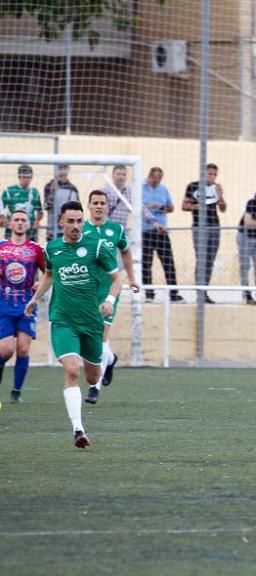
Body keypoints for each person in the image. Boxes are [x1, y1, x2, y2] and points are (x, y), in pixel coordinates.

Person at [24, 201, 122, 448]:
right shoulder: (52, 249)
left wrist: (109, 300)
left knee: (92, 377)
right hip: (63, 320)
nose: (77, 225)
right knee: (71, 370)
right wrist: (36, 300)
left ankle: (108, 361)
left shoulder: (97, 247)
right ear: (61, 223)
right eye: (71, 221)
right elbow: (49, 274)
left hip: (91, 321)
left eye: (79, 220)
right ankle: (78, 429)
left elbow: (116, 279)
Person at [82, 190, 140, 403]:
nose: (99, 206)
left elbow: (125, 251)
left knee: (100, 336)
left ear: (106, 206)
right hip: (86, 292)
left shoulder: (116, 229)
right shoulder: (81, 230)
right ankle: (111, 358)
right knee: (90, 337)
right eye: (95, 202)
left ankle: (94, 388)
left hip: (109, 291)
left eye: (102, 203)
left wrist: (131, 278)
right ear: (88, 206)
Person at [0, 209, 45, 403]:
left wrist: (40, 283)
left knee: (24, 349)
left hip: (27, 305)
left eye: (23, 220)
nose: (19, 223)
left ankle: (16, 391)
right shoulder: (1, 247)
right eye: (16, 220)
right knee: (6, 350)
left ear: (29, 225)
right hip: (4, 305)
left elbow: (49, 272)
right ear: (10, 224)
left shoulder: (35, 249)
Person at [182, 163, 227, 302]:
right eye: (209, 173)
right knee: (201, 259)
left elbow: (223, 208)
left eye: (214, 174)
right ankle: (199, 292)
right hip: (199, 226)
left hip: (214, 226)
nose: (212, 176)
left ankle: (205, 290)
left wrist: (220, 196)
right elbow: (184, 206)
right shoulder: (193, 186)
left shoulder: (217, 188)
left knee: (210, 260)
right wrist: (197, 206)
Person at [141, 166, 180, 303]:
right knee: (146, 263)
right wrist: (148, 207)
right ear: (149, 176)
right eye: (154, 178)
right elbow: (135, 208)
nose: (157, 181)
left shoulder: (163, 189)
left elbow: (171, 207)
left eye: (159, 179)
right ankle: (149, 294)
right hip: (146, 231)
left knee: (168, 262)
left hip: (161, 231)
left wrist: (161, 207)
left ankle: (174, 293)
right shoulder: (140, 188)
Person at [2, 165, 44, 241]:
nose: (26, 180)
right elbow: (1, 209)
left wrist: (37, 221)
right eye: (24, 177)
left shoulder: (35, 192)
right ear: (19, 177)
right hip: (12, 232)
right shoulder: (9, 191)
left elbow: (40, 211)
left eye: (28, 177)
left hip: (30, 232)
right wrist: (5, 221)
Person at [43, 165, 80, 240]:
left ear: (68, 169)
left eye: (64, 168)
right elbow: (46, 206)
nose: (62, 170)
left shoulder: (73, 188)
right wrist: (52, 194)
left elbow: (77, 210)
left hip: (69, 230)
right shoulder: (49, 186)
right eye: (60, 167)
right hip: (53, 229)